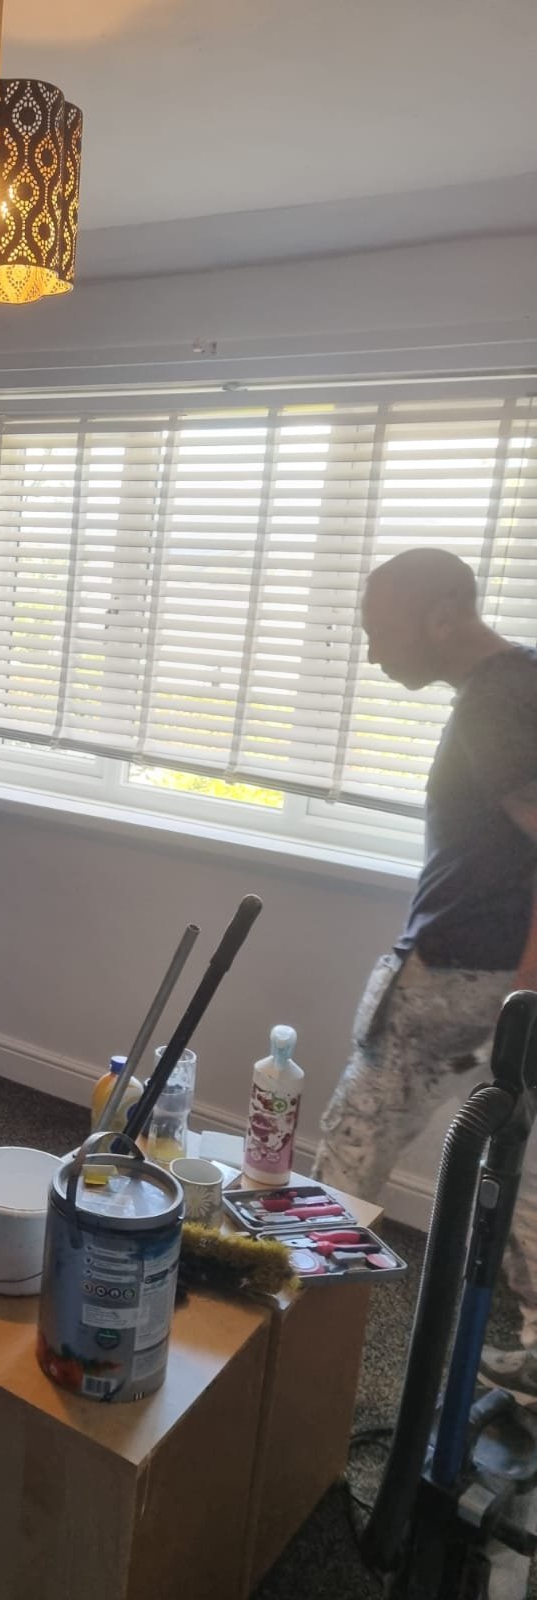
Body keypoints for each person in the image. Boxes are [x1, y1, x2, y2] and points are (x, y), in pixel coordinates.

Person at [313, 547, 537, 1400]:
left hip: (459, 977)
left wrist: (526, 988)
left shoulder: (496, 705)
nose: (373, 654)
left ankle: (297, 1333)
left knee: (352, 1146)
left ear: (443, 618)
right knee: (521, 1165)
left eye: (382, 633)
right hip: (499, 980)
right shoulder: (524, 681)